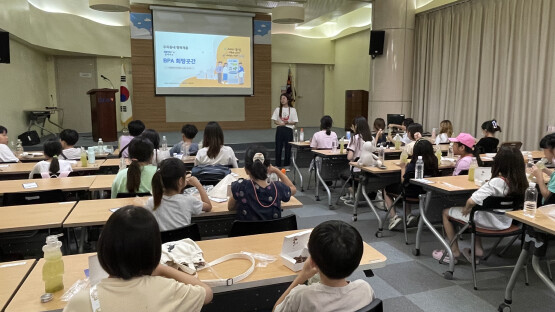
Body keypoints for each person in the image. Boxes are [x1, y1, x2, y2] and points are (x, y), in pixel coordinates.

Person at [63, 205, 212, 312]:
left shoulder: (82, 301)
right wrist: (161, 269)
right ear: (154, 251)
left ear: (104, 248)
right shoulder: (169, 290)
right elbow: (206, 292)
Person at [434, 146, 528, 264]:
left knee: (446, 213)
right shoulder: (522, 181)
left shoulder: (497, 182)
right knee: (478, 211)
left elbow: (471, 201)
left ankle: (454, 251)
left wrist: (466, 209)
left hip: (488, 222)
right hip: (506, 222)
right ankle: (477, 250)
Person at [273, 220, 374, 312]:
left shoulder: (302, 296)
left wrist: (302, 276)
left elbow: (276, 310)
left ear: (312, 262)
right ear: (357, 261)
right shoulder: (365, 289)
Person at [228, 145, 295, 220]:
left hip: (247, 231)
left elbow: (230, 208)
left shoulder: (240, 186)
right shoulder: (277, 187)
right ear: (268, 168)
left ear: (246, 170)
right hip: (273, 231)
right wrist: (276, 170)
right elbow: (293, 189)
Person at [385, 139, 440, 230]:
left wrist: (403, 168)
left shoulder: (414, 164)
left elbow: (404, 181)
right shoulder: (434, 161)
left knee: (387, 188)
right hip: (426, 192)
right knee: (409, 187)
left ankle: (394, 217)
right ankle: (409, 216)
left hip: (410, 193)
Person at [145, 158, 211, 231]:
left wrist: (181, 185)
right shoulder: (189, 200)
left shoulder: (151, 202)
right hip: (183, 241)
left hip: (162, 242)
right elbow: (208, 206)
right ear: (180, 181)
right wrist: (198, 185)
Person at [342, 116, 374, 204]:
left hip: (357, 169)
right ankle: (354, 195)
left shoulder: (354, 138)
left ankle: (355, 194)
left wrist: (348, 152)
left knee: (342, 175)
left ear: (356, 126)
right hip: (369, 169)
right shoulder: (371, 138)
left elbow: (349, 157)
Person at [272, 93, 298, 168]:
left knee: (288, 147)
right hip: (280, 129)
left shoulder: (293, 110)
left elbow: (295, 121)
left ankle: (286, 165)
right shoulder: (278, 109)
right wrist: (280, 123)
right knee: (278, 147)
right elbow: (274, 120)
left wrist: (288, 122)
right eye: (281, 99)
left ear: (288, 99)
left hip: (288, 129)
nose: (282, 100)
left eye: (284, 98)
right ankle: (278, 164)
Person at [531, 133, 555, 204]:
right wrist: (545, 170)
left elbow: (548, 197)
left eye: (545, 150)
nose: (544, 154)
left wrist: (539, 177)